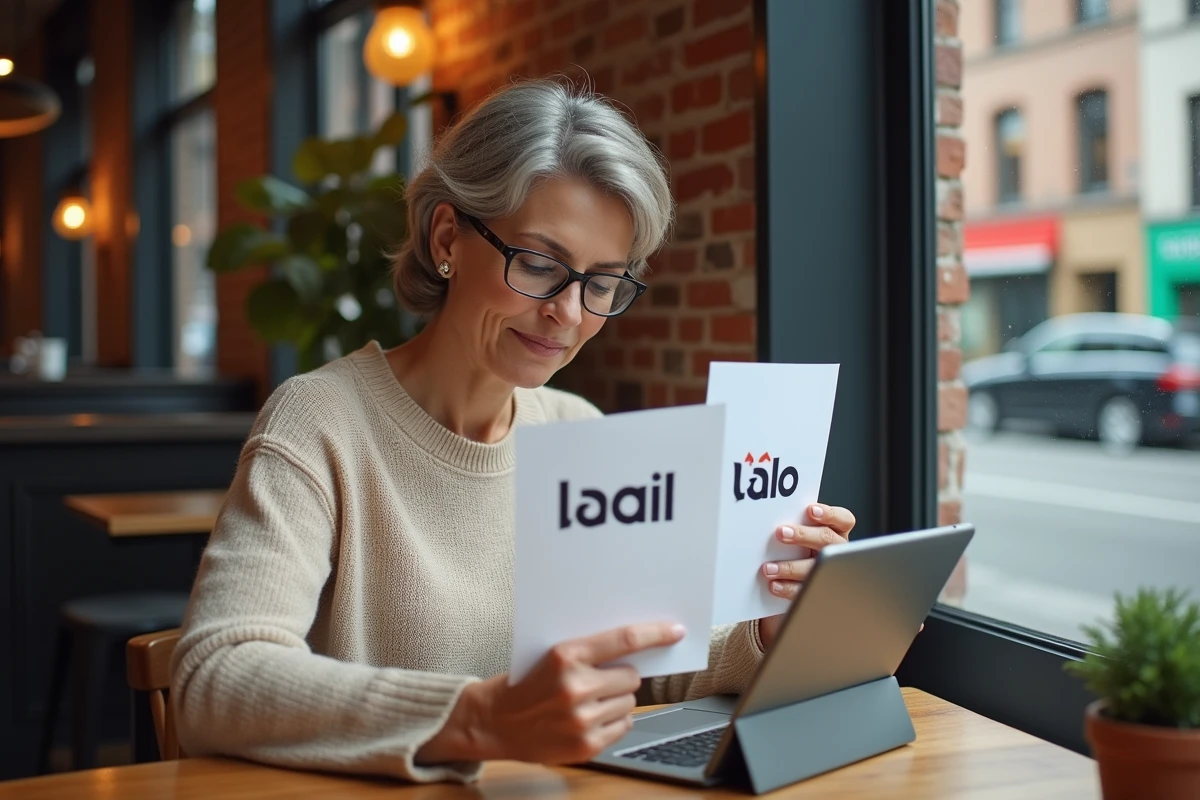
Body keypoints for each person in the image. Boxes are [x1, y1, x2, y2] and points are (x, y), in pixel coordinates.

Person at [170, 78, 857, 784]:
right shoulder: (321, 423)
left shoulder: (579, 433)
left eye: (602, 283)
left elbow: (645, 661)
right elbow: (214, 678)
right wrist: (480, 719)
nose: (569, 313)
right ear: (447, 237)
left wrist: (770, 631)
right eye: (538, 264)